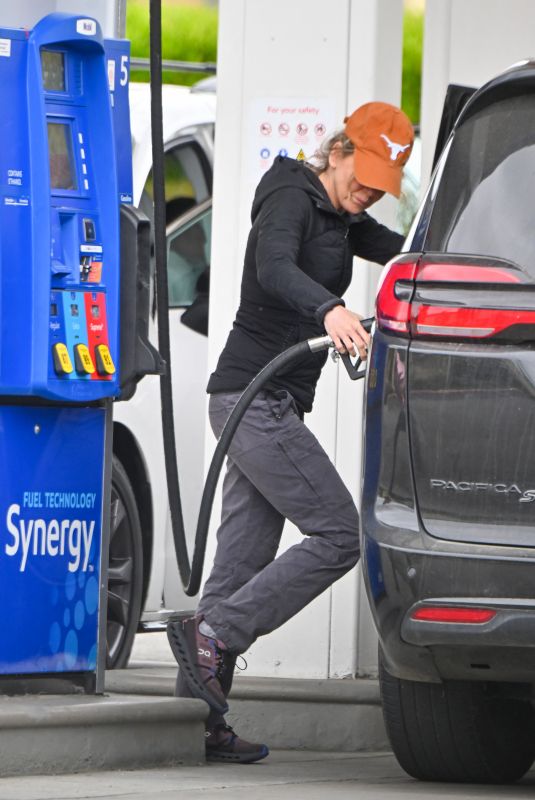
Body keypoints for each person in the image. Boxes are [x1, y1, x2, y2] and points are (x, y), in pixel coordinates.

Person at [168, 101, 414, 763]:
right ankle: (215, 631)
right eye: (359, 173)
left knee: (239, 563)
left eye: (378, 185)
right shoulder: (288, 192)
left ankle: (201, 723)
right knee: (337, 533)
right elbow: (274, 268)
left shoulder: (343, 217)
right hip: (254, 397)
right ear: (336, 152)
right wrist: (329, 308)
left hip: (263, 402)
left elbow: (404, 253)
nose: (365, 191)